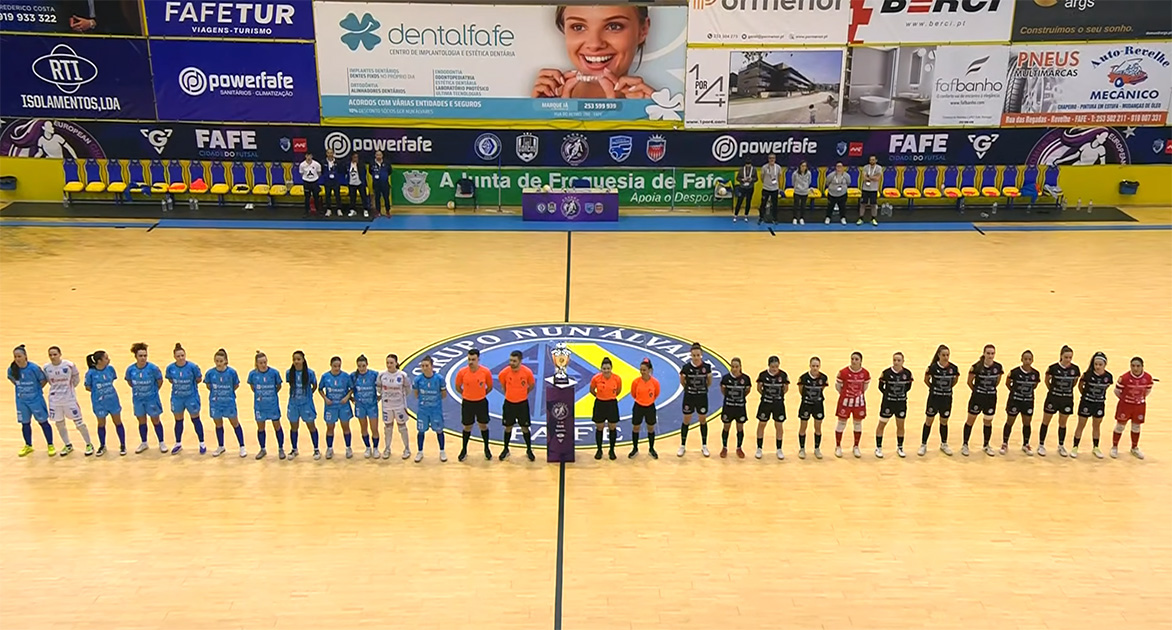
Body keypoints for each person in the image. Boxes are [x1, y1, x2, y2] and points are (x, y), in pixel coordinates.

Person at [533, 5, 655, 99]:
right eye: (578, 27)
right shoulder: (543, 103)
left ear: (643, 30)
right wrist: (537, 117)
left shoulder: (654, 111)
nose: (594, 44)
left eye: (613, 26)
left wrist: (645, 117)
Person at [44, 346, 94, 456]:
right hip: (55, 401)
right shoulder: (46, 368)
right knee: (59, 424)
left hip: (69, 399)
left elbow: (76, 379)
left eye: (55, 354)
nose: (53, 357)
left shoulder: (69, 365)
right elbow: (49, 381)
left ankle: (89, 444)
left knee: (79, 423)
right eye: (50, 355)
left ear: (60, 354)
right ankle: (68, 445)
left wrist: (69, 389)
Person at [9, 345, 54, 457]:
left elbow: (43, 380)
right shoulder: (12, 369)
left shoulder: (34, 368)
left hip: (36, 400)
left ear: (25, 356)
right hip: (21, 401)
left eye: (19, 356)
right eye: (15, 357)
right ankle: (28, 445)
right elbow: (11, 378)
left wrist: (36, 390)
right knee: (25, 423)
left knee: (43, 422)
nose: (17, 359)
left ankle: (50, 445)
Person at [962, 344, 1004, 457]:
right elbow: (969, 382)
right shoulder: (976, 367)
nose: (990, 356)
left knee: (988, 421)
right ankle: (965, 444)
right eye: (988, 353)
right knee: (970, 420)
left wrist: (989, 391)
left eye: (992, 353)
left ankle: (986, 445)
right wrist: (977, 391)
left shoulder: (998, 367)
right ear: (984, 353)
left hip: (991, 398)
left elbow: (997, 382)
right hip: (977, 398)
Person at [125, 342, 166, 454]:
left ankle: (161, 442)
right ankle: (144, 442)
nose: (143, 358)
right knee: (141, 421)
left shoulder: (153, 368)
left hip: (152, 399)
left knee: (156, 420)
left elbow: (159, 381)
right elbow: (130, 382)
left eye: (145, 355)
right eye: (140, 356)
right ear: (136, 356)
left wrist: (153, 392)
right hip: (138, 400)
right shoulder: (130, 370)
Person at [1039, 345, 1080, 457]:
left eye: (1070, 357)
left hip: (1067, 399)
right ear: (1061, 356)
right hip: (1053, 398)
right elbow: (1047, 381)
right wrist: (1053, 390)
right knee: (1046, 421)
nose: (1068, 360)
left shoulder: (1075, 369)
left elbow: (1074, 383)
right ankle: (1041, 444)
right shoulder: (1053, 368)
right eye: (1066, 357)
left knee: (1063, 423)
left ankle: (1061, 445)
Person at [165, 343, 205, 455]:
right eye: (178, 356)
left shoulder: (192, 367)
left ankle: (202, 443)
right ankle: (178, 443)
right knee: (178, 421)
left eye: (182, 355)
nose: (181, 358)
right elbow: (170, 380)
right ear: (174, 357)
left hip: (191, 397)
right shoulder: (170, 368)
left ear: (185, 355)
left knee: (195, 420)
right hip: (177, 398)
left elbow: (198, 379)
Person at [920, 344, 959, 456]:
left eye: (947, 355)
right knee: (929, 420)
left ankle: (944, 444)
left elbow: (955, 381)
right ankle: (923, 444)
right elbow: (926, 380)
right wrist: (934, 389)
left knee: (944, 421)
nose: (946, 357)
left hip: (946, 399)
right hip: (934, 398)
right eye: (943, 355)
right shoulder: (932, 368)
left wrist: (947, 389)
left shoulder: (953, 368)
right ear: (939, 355)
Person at [205, 348, 245, 458]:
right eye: (217, 361)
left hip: (229, 403)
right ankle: (221, 446)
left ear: (226, 361)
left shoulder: (232, 372)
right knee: (218, 424)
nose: (219, 363)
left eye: (221, 361)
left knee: (235, 423)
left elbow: (236, 385)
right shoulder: (210, 373)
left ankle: (242, 446)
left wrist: (227, 393)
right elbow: (208, 385)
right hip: (215, 403)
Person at [455, 348, 494, 462]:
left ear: (478, 359)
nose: (470, 362)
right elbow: (458, 387)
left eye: (473, 359)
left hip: (481, 402)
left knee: (483, 425)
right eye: (469, 359)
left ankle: (486, 448)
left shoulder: (485, 372)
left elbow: (490, 387)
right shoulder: (462, 372)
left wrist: (480, 394)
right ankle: (464, 449)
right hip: (467, 403)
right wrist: (466, 394)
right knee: (467, 426)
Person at [85, 350, 126, 456]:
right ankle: (102, 445)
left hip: (112, 400)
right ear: (99, 361)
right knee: (101, 424)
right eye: (106, 358)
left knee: (118, 422)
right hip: (99, 403)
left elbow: (112, 380)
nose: (109, 360)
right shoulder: (91, 373)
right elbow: (88, 387)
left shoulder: (110, 369)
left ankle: (122, 445)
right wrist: (99, 393)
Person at [1072, 352, 1112, 459]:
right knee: (1081, 425)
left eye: (1100, 364)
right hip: (1086, 403)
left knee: (1096, 426)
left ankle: (1096, 447)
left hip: (1099, 404)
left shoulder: (1108, 377)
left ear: (1105, 364)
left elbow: (1106, 387)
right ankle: (1075, 447)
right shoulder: (1087, 375)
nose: (1098, 367)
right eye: (1096, 364)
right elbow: (1080, 386)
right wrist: (1086, 396)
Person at [498, 350, 537, 461]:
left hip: (522, 404)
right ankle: (506, 449)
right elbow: (503, 386)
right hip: (509, 404)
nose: (511, 363)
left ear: (520, 361)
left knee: (525, 427)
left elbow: (531, 385)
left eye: (514, 361)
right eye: (510, 360)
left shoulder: (527, 372)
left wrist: (523, 393)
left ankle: (529, 449)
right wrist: (510, 394)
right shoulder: (504, 373)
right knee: (508, 427)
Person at [1112, 356, 1153, 459]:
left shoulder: (1148, 378)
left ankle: (1134, 447)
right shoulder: (1124, 378)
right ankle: (1114, 447)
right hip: (1125, 406)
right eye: (1133, 366)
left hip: (1139, 406)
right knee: (1120, 426)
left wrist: (1138, 400)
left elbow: (1147, 391)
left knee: (1136, 427)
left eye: (1138, 366)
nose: (1135, 368)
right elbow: (1117, 391)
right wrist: (1126, 400)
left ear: (1142, 366)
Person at [876, 351, 913, 458]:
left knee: (900, 426)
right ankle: (878, 448)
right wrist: (888, 395)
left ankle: (900, 447)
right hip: (888, 403)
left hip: (901, 404)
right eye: (894, 360)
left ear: (903, 361)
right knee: (881, 424)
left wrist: (899, 396)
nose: (896, 362)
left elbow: (908, 387)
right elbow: (880, 387)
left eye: (899, 360)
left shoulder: (907, 374)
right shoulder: (886, 373)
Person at [248, 351, 285, 460]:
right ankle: (262, 449)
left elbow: (279, 386)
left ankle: (281, 448)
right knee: (261, 427)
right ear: (256, 363)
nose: (263, 365)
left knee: (277, 426)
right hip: (259, 406)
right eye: (261, 363)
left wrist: (271, 394)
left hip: (272, 405)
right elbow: (253, 387)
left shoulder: (274, 373)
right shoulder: (252, 374)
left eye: (265, 362)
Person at [678, 342, 713, 457]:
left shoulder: (706, 367)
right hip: (689, 397)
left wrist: (701, 389)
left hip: (702, 397)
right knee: (686, 420)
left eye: (698, 355)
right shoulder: (686, 368)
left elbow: (709, 382)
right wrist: (689, 389)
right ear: (691, 355)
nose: (696, 357)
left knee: (702, 420)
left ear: (701, 355)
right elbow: (682, 381)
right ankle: (682, 445)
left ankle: (704, 445)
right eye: (694, 355)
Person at [412, 355, 448, 462]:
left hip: (436, 410)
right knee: (421, 431)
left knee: (439, 430)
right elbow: (416, 394)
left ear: (432, 366)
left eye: (426, 365)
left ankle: (442, 451)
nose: (424, 368)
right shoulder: (418, 380)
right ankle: (420, 452)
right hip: (423, 411)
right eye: (422, 366)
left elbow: (444, 394)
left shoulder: (439, 379)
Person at [834, 352, 870, 458]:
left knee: (857, 423)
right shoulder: (843, 372)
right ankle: (838, 446)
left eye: (856, 359)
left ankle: (856, 446)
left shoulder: (865, 373)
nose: (854, 361)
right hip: (845, 402)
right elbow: (838, 386)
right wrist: (846, 395)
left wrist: (856, 396)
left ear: (861, 361)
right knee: (841, 423)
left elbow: (865, 387)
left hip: (859, 402)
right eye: (852, 359)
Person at [285, 350, 320, 460]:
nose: (296, 361)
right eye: (294, 359)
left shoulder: (310, 373)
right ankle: (294, 449)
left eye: (298, 359)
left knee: (311, 426)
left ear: (303, 360)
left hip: (306, 404)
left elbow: (314, 386)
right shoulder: (289, 373)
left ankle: (316, 449)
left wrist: (308, 395)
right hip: (293, 404)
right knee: (294, 427)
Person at [318, 356, 354, 459]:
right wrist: (325, 398)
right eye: (335, 366)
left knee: (345, 427)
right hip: (331, 406)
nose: (337, 368)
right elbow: (320, 389)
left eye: (339, 366)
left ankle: (348, 448)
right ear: (330, 365)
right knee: (330, 428)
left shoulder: (346, 376)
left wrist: (347, 397)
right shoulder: (325, 376)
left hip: (343, 406)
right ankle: (329, 448)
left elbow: (352, 388)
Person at [754, 355, 789, 460]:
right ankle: (759, 448)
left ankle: (779, 449)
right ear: (768, 366)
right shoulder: (763, 375)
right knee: (762, 424)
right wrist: (766, 396)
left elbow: (785, 389)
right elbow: (759, 388)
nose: (774, 369)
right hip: (765, 403)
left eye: (776, 367)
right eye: (772, 367)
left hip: (778, 404)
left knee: (779, 425)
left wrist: (778, 397)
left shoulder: (783, 375)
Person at [379, 354, 412, 460]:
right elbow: (379, 388)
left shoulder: (402, 375)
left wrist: (400, 398)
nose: (389, 365)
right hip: (387, 406)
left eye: (391, 363)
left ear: (396, 363)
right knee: (388, 427)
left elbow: (408, 389)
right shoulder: (382, 375)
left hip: (399, 406)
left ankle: (407, 449)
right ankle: (387, 448)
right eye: (387, 363)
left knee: (402, 427)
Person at [590, 357, 623, 460]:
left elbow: (618, 390)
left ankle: (612, 450)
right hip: (600, 404)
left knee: (612, 427)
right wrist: (600, 396)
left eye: (608, 368)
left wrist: (610, 397)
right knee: (599, 427)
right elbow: (592, 390)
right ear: (601, 369)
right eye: (604, 369)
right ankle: (599, 450)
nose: (606, 371)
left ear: (611, 368)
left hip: (611, 404)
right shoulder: (596, 378)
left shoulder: (617, 379)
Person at [720, 357, 752, 459]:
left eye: (736, 367)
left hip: (740, 407)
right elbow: (723, 390)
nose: (734, 369)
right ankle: (724, 447)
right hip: (728, 406)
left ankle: (739, 448)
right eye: (732, 367)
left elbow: (747, 390)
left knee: (740, 427)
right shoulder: (726, 378)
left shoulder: (746, 379)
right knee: (726, 427)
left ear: (740, 367)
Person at [796, 357, 828, 459]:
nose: (815, 368)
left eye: (817, 366)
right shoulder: (803, 378)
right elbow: (801, 390)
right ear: (809, 366)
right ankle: (802, 449)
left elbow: (822, 389)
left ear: (820, 366)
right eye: (813, 366)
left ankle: (817, 448)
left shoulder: (823, 378)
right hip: (806, 405)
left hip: (818, 405)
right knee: (803, 427)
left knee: (818, 427)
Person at [350, 355, 381, 459]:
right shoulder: (353, 376)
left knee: (374, 428)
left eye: (363, 366)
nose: (361, 368)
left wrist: (380, 396)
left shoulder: (374, 374)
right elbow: (348, 388)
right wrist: (351, 398)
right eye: (359, 366)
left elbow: (382, 385)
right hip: (360, 406)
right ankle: (367, 447)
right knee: (363, 428)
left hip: (372, 406)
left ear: (367, 364)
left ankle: (375, 448)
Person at [628, 358, 660, 459]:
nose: (642, 372)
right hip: (638, 406)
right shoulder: (636, 382)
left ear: (649, 370)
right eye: (641, 370)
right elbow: (633, 393)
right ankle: (635, 448)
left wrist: (648, 401)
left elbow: (656, 394)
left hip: (650, 407)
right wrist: (641, 400)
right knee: (636, 427)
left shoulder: (654, 382)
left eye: (644, 370)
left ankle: (651, 448)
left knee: (650, 428)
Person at [859, 155, 882, 226]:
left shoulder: (879, 168)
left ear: (876, 160)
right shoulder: (866, 167)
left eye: (873, 160)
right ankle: (861, 218)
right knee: (863, 204)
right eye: (870, 160)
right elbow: (864, 178)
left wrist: (869, 177)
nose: (872, 161)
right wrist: (873, 177)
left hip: (874, 189)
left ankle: (873, 219)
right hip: (865, 189)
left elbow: (878, 178)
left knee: (873, 204)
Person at [758, 154, 781, 224]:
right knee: (763, 204)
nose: (772, 159)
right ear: (768, 159)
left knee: (775, 205)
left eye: (773, 158)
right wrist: (766, 183)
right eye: (770, 158)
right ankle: (761, 217)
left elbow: (779, 177)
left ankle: (775, 218)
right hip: (766, 188)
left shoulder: (778, 167)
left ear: (775, 159)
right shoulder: (764, 167)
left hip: (775, 189)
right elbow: (762, 177)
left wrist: (778, 186)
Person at [298, 152, 322, 218]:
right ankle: (307, 212)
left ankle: (318, 211)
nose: (308, 157)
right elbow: (301, 173)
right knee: (307, 197)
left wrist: (314, 178)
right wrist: (307, 178)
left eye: (310, 156)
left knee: (316, 197)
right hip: (306, 182)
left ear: (312, 156)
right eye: (307, 156)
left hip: (314, 182)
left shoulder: (317, 164)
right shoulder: (302, 165)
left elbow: (319, 173)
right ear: (305, 156)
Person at [345, 153, 369, 218]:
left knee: (363, 197)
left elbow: (364, 173)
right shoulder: (348, 164)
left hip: (360, 183)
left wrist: (362, 181)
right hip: (351, 184)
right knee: (352, 198)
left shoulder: (361, 164)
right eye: (354, 157)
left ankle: (365, 209)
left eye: (357, 157)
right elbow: (346, 172)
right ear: (352, 157)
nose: (355, 158)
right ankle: (352, 210)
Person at [369, 150, 391, 216]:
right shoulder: (372, 163)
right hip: (376, 184)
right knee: (377, 198)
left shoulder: (386, 163)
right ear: (375, 156)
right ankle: (378, 211)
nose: (378, 156)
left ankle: (387, 211)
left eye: (380, 155)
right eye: (377, 155)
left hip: (385, 184)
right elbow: (370, 171)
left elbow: (390, 171)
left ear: (382, 155)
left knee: (386, 198)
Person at [322, 149, 342, 218]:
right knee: (328, 195)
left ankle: (339, 209)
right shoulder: (323, 162)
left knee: (337, 195)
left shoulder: (338, 162)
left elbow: (340, 171)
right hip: (327, 182)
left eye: (331, 153)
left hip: (336, 182)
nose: (330, 154)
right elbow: (322, 171)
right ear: (326, 154)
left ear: (333, 154)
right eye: (328, 153)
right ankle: (328, 209)